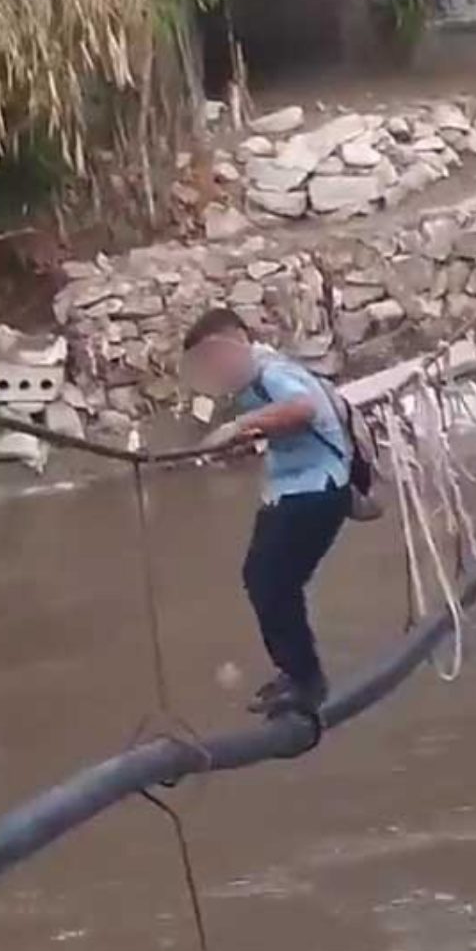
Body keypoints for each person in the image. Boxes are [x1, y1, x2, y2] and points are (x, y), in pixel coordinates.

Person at [183, 306, 352, 717]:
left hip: (317, 490)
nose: (215, 367)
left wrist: (238, 426)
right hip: (291, 490)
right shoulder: (251, 379)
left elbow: (303, 409)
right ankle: (295, 673)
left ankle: (306, 679)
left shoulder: (268, 370)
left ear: (239, 340)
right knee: (266, 581)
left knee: (270, 581)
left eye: (216, 355)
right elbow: (286, 425)